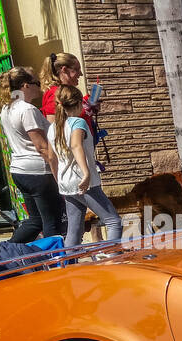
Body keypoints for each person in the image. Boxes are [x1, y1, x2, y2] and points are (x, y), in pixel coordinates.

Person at [0, 67, 65, 242]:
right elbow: (42, 147)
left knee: (36, 221)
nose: (40, 87)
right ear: (26, 85)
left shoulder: (7, 107)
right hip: (38, 172)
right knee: (52, 222)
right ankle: (55, 261)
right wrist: (59, 176)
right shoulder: (27, 110)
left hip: (20, 171)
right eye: (36, 83)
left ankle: (7, 251)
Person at [48, 85, 121, 248]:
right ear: (80, 103)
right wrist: (86, 173)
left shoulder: (53, 127)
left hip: (65, 183)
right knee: (113, 221)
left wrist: (58, 179)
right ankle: (112, 260)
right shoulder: (78, 122)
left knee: (75, 230)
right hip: (84, 183)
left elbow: (51, 157)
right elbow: (76, 145)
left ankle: (68, 265)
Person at [39, 53, 100, 141]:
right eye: (77, 69)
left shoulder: (62, 91)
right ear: (64, 70)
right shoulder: (55, 94)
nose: (81, 74)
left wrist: (88, 104)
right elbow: (53, 129)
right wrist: (86, 109)